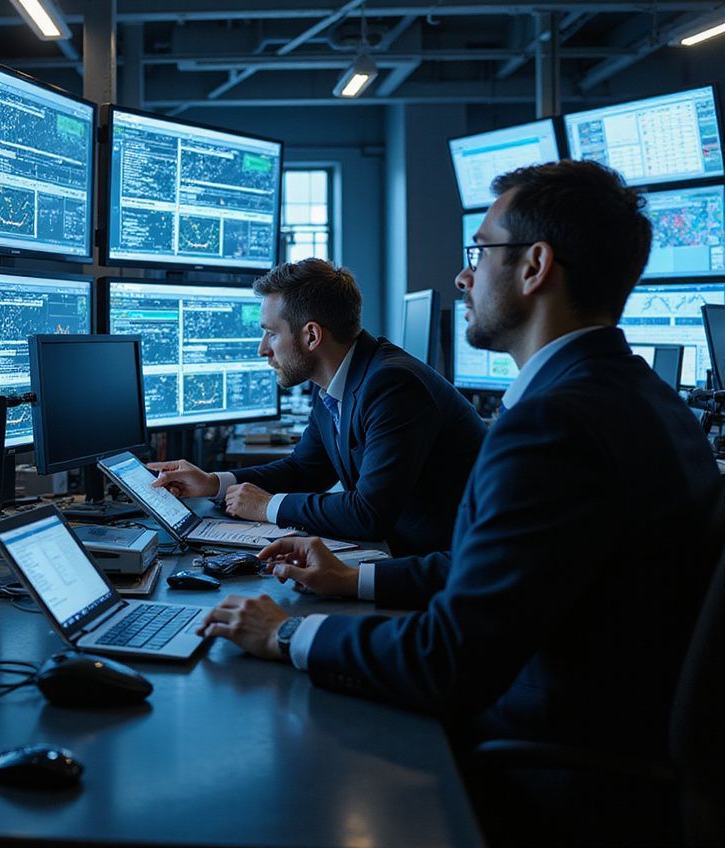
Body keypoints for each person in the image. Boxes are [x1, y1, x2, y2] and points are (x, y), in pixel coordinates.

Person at [195, 161, 721, 841]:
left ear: (534, 267)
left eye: (480, 252)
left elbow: (448, 659)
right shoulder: (634, 395)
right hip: (605, 722)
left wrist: (287, 633)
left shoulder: (553, 424)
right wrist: (352, 581)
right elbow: (495, 573)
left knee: (282, 769)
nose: (462, 277)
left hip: (558, 759)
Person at [148, 258, 486, 553]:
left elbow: (368, 514)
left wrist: (268, 506)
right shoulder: (337, 380)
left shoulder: (392, 384)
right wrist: (212, 483)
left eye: (271, 333)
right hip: (406, 553)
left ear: (311, 336)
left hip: (447, 573)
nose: (263, 349)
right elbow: (305, 470)